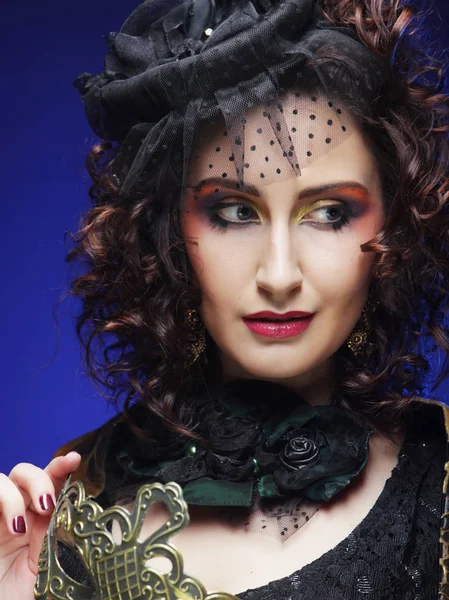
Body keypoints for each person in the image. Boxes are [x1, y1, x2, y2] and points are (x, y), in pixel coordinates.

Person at [2, 0, 449, 598]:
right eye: (234, 212)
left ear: (391, 228)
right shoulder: (79, 497)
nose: (280, 273)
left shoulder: (438, 483)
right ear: (167, 231)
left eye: (330, 213)